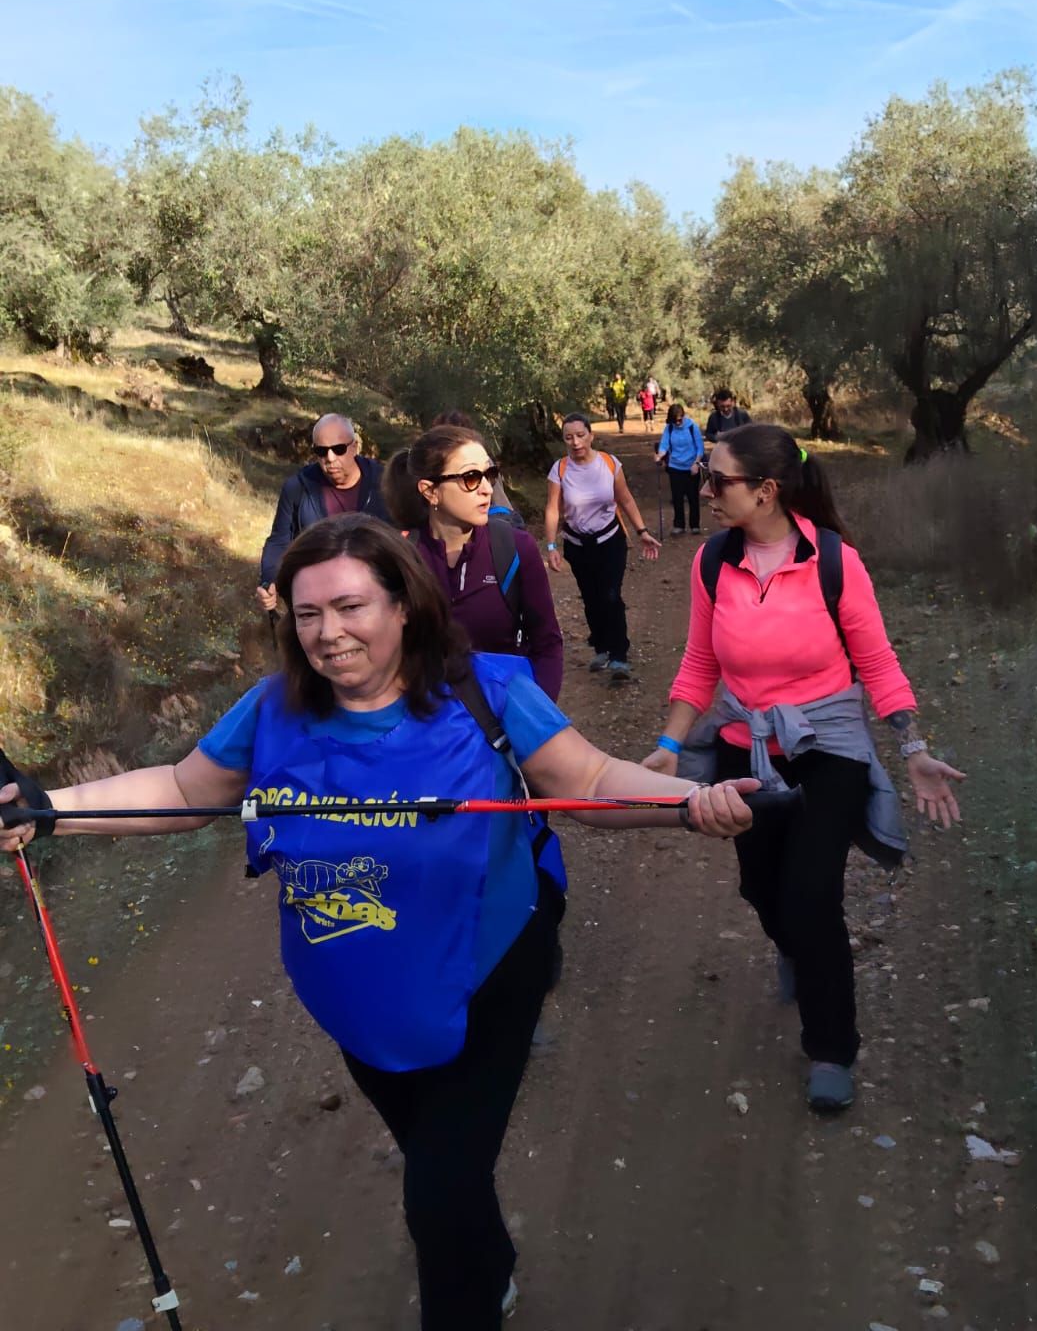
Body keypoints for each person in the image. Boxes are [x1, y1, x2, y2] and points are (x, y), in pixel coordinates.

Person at [1, 515, 756, 1331]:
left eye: (352, 607)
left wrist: (690, 804)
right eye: (308, 614)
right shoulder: (273, 712)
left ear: (403, 606)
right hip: (354, 996)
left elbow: (592, 778)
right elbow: (186, 793)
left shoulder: (487, 692)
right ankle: (490, 1256)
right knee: (441, 1164)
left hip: (486, 970)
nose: (330, 634)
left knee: (435, 1193)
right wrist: (48, 812)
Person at [642, 424, 965, 1112]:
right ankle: (792, 947)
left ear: (767, 491)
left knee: (812, 896)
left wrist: (912, 749)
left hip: (828, 748)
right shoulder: (712, 563)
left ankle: (831, 1047)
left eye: (718, 480)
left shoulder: (833, 563)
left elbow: (877, 663)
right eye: (705, 475)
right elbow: (700, 663)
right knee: (762, 889)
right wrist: (670, 745)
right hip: (742, 747)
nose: (705, 489)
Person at [382, 424, 564, 701]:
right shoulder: (400, 559)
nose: (486, 489)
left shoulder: (515, 547)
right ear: (430, 491)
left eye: (489, 475)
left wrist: (536, 718)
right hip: (431, 726)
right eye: (470, 477)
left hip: (506, 716)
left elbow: (547, 643)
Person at [543, 413, 661, 682]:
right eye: (568, 437)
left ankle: (619, 654)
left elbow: (626, 499)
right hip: (577, 544)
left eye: (580, 435)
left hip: (610, 540)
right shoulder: (559, 469)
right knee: (591, 598)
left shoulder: (609, 463)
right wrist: (551, 546)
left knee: (610, 595)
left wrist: (642, 531)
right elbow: (552, 509)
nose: (575, 442)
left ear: (591, 435)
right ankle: (601, 646)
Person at [256, 413, 388, 613]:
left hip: (377, 599)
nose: (330, 458)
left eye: (339, 449)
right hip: (319, 600)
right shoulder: (297, 487)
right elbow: (279, 540)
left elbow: (409, 533)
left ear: (354, 448)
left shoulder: (384, 483)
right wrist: (269, 580)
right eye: (321, 451)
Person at [655, 402, 706, 535]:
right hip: (675, 466)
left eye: (679, 420)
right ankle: (679, 525)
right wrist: (659, 456)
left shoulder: (692, 427)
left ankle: (695, 525)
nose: (677, 423)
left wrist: (696, 463)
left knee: (693, 497)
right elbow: (664, 445)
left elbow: (700, 447)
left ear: (683, 416)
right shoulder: (669, 428)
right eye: (674, 421)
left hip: (691, 466)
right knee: (677, 497)